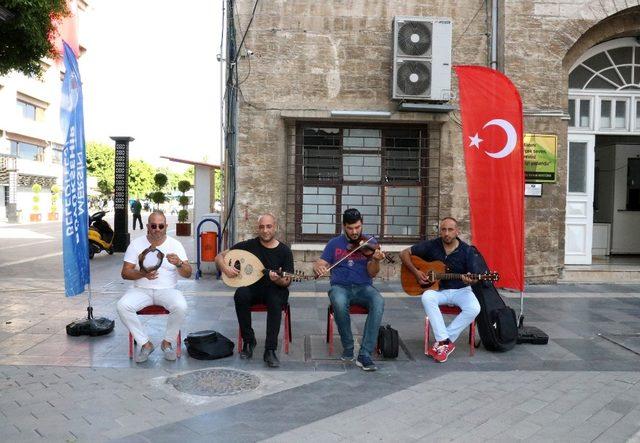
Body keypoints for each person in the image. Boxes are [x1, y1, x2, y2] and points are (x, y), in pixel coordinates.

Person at [215, 213, 293, 368]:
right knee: (240, 294)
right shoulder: (249, 245)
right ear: (258, 228)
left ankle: (270, 349)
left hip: (275, 289)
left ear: (275, 227)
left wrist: (277, 279)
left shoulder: (284, 251)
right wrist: (225, 268)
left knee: (275, 300)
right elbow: (219, 257)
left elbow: (287, 281)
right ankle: (249, 341)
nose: (265, 230)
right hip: (253, 288)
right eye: (262, 227)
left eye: (269, 226)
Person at [399, 217, 480, 363]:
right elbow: (404, 253)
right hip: (439, 290)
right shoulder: (432, 245)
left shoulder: (467, 251)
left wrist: (471, 279)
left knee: (474, 308)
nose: (447, 233)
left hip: (461, 290)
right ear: (440, 231)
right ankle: (444, 342)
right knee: (427, 297)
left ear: (457, 231)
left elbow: (474, 277)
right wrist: (417, 273)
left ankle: (443, 342)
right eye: (443, 229)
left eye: (450, 230)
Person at [313, 208, 385, 372]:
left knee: (378, 301)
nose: (355, 232)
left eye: (358, 227)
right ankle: (348, 346)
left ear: (362, 224)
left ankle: (365, 354)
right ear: (344, 226)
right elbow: (320, 263)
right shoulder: (334, 243)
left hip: (364, 287)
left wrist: (375, 260)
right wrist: (319, 268)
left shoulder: (370, 243)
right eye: (351, 228)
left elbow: (372, 272)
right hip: (340, 287)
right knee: (338, 301)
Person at [117, 211, 192, 363]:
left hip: (168, 289)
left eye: (161, 225)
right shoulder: (137, 244)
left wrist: (179, 263)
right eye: (153, 225)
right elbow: (125, 273)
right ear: (147, 227)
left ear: (166, 226)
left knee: (181, 306)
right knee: (122, 306)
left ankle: (167, 343)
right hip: (141, 289)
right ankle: (145, 343)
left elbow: (188, 273)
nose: (157, 228)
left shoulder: (175, 244)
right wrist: (142, 274)